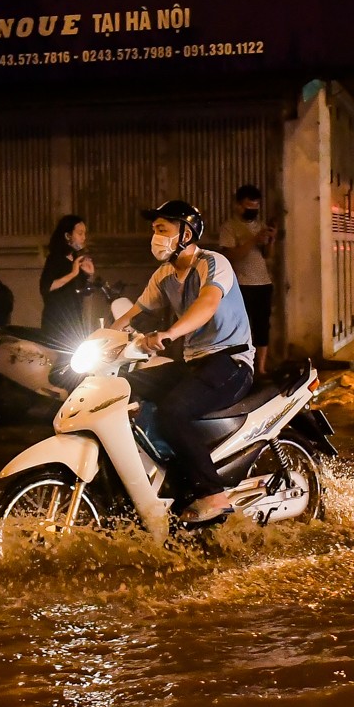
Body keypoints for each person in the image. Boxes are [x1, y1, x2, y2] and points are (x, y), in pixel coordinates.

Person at [111, 199, 254, 525]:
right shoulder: (163, 275)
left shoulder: (213, 263)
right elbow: (130, 315)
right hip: (196, 364)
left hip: (231, 362)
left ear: (186, 233)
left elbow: (207, 304)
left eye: (162, 229)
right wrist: (95, 341)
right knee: (126, 385)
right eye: (154, 230)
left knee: (174, 409)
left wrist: (170, 332)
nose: (155, 237)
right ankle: (168, 476)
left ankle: (214, 496)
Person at [216, 184, 275, 373]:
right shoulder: (229, 227)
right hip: (241, 284)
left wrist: (270, 240)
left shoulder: (260, 225)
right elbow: (230, 256)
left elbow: (267, 255)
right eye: (249, 207)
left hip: (263, 283)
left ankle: (262, 368)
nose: (252, 211)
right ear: (238, 205)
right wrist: (253, 240)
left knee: (262, 327)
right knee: (240, 328)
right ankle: (241, 367)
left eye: (256, 207)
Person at [38, 214, 96, 349]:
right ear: (67, 236)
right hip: (57, 321)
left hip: (74, 320)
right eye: (80, 233)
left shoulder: (76, 258)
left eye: (84, 233)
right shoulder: (55, 258)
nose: (84, 237)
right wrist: (73, 273)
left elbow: (83, 291)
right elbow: (46, 287)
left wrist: (88, 275)